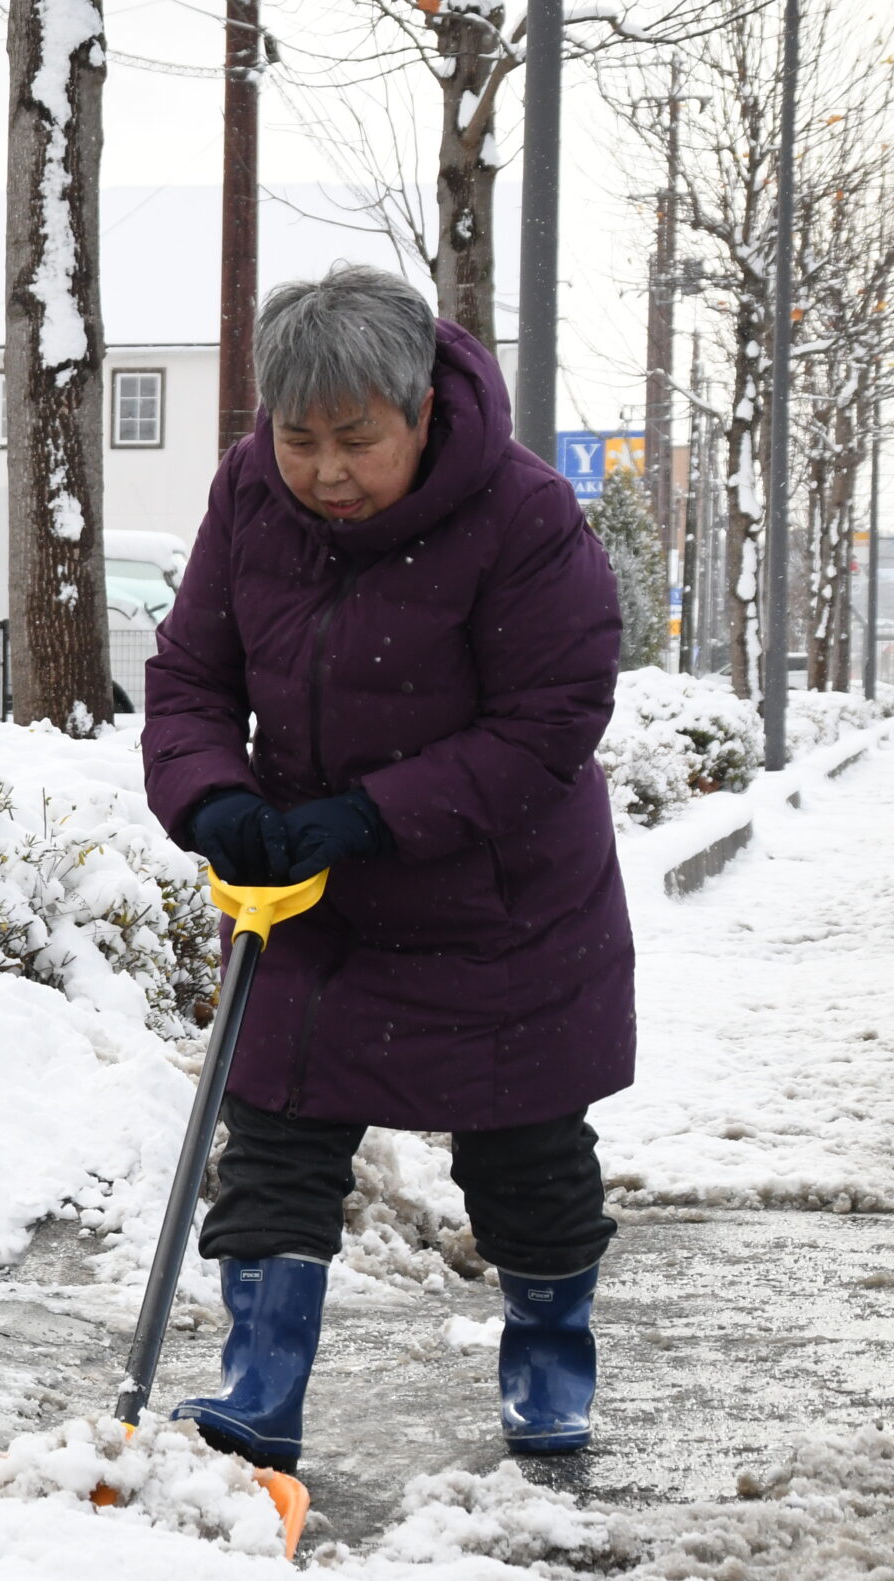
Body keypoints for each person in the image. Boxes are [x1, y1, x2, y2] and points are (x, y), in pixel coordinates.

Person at [142, 263, 634, 1466]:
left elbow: (551, 717)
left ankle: (549, 1361)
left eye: (354, 440)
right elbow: (191, 678)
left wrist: (375, 813)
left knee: (525, 1158)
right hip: (310, 900)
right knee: (269, 1138)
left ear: (420, 412)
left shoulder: (522, 515)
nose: (322, 470)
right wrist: (212, 796)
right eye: (298, 438)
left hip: (499, 905)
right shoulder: (250, 497)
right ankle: (254, 1400)